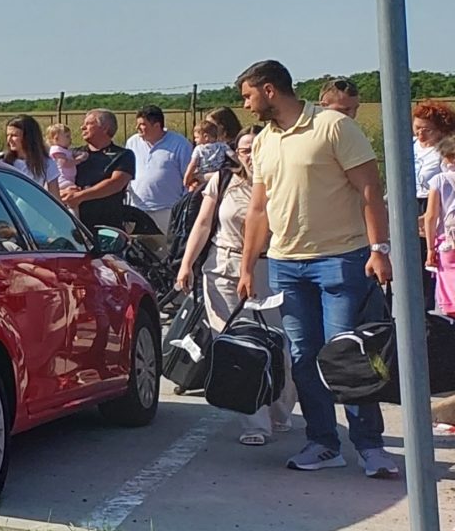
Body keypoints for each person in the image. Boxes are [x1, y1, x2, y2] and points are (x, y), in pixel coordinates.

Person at [235, 59, 398, 478]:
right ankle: (324, 442)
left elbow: (369, 188)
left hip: (342, 259)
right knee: (304, 358)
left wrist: (379, 249)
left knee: (346, 356)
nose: (247, 105)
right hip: (289, 266)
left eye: (249, 95)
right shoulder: (264, 140)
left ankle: (370, 447)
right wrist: (248, 266)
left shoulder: (332, 126)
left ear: (270, 90)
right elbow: (258, 209)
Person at [175, 131, 297, 443]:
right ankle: (255, 424)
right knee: (235, 345)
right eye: (243, 150)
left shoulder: (281, 180)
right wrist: (187, 263)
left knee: (277, 342)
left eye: (255, 149)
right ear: (234, 153)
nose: (249, 155)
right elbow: (203, 224)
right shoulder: (222, 180)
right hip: (221, 267)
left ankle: (281, 412)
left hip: (267, 267)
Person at [58, 109, 138, 234]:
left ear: (105, 128)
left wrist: (79, 196)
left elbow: (115, 183)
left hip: (107, 228)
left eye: (89, 123)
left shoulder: (123, 155)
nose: (82, 127)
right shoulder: (73, 155)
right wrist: (63, 192)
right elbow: (56, 175)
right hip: (74, 227)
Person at [124, 105, 195, 236]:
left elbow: (189, 177)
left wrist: (183, 208)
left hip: (168, 210)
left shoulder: (180, 144)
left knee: (168, 248)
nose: (137, 128)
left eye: (142, 124)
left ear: (156, 126)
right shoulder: (132, 142)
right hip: (138, 209)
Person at [424, 135, 455, 315]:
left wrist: (430, 249)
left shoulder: (439, 180)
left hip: (448, 243)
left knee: (450, 295)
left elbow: (431, 216)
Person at [0, 115, 53, 190]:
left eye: (14, 135)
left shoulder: (47, 163)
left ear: (29, 137)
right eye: (8, 135)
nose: (9, 139)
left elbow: (54, 195)